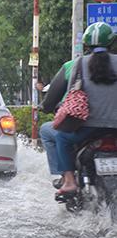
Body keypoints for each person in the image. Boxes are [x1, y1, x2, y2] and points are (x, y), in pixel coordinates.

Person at [54, 22, 117, 199]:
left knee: (61, 138)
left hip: (88, 128)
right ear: (112, 43)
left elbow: (71, 93)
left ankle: (69, 181)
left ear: (86, 45)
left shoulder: (79, 63)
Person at [38, 59, 75, 188]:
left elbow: (51, 98)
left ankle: (65, 177)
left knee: (54, 133)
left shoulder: (74, 66)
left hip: (83, 128)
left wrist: (45, 107)